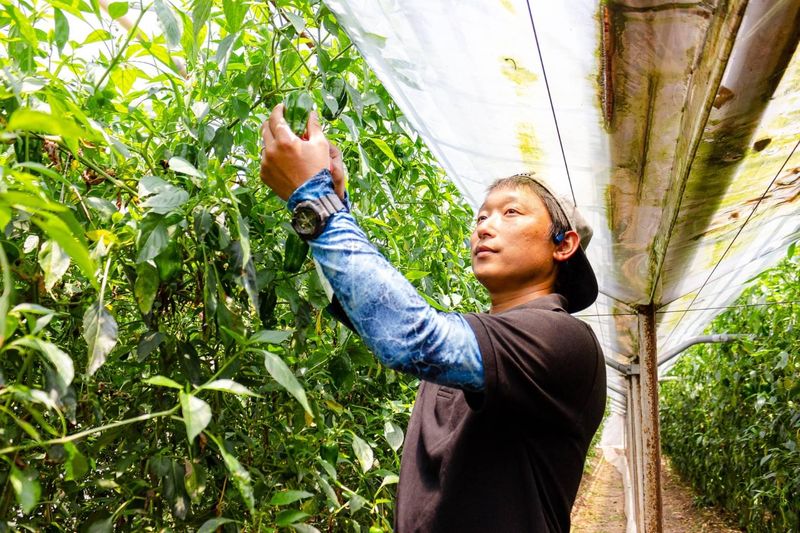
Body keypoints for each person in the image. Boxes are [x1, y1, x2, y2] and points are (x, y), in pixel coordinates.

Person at [259, 105, 607, 533]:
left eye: (511, 213)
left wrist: (315, 198)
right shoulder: (477, 336)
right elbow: (367, 307)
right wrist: (334, 199)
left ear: (564, 244)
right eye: (481, 216)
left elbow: (409, 335)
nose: (483, 227)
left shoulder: (563, 338)